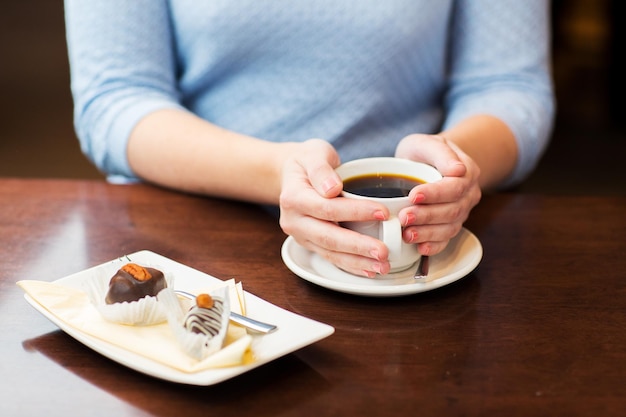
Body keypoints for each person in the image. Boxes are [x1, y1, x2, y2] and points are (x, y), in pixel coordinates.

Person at [64, 1, 555, 278]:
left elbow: (510, 87)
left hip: (420, 251)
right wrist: (280, 172)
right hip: (189, 244)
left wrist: (455, 166)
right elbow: (114, 99)